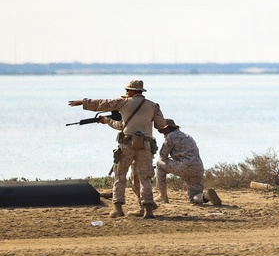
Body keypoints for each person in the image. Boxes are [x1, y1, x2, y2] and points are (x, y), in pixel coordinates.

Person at [69, 79, 167, 219]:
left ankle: (118, 208)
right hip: (145, 146)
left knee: (120, 175)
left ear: (132, 91)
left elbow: (103, 103)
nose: (125, 92)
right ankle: (147, 210)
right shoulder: (153, 106)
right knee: (145, 178)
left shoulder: (123, 102)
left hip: (127, 144)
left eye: (127, 90)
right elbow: (160, 124)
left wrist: (83, 102)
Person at [154, 119, 221, 206]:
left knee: (159, 164)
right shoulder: (187, 136)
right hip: (198, 168)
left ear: (167, 128)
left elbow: (163, 155)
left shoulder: (170, 136)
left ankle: (162, 196)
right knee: (193, 197)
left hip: (184, 167)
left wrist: (167, 164)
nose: (163, 133)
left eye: (163, 131)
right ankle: (206, 196)